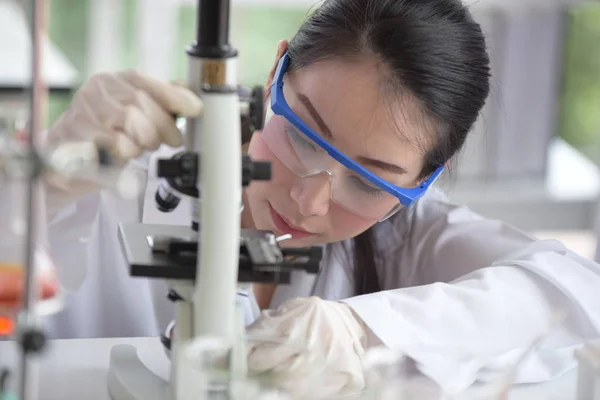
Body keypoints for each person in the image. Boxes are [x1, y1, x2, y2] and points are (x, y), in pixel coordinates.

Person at [40, 0, 600, 397]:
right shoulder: (117, 181)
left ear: (426, 179)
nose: (309, 203)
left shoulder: (405, 233)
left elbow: (576, 290)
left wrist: (361, 331)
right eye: (305, 136)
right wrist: (41, 180)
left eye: (367, 180)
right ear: (275, 72)